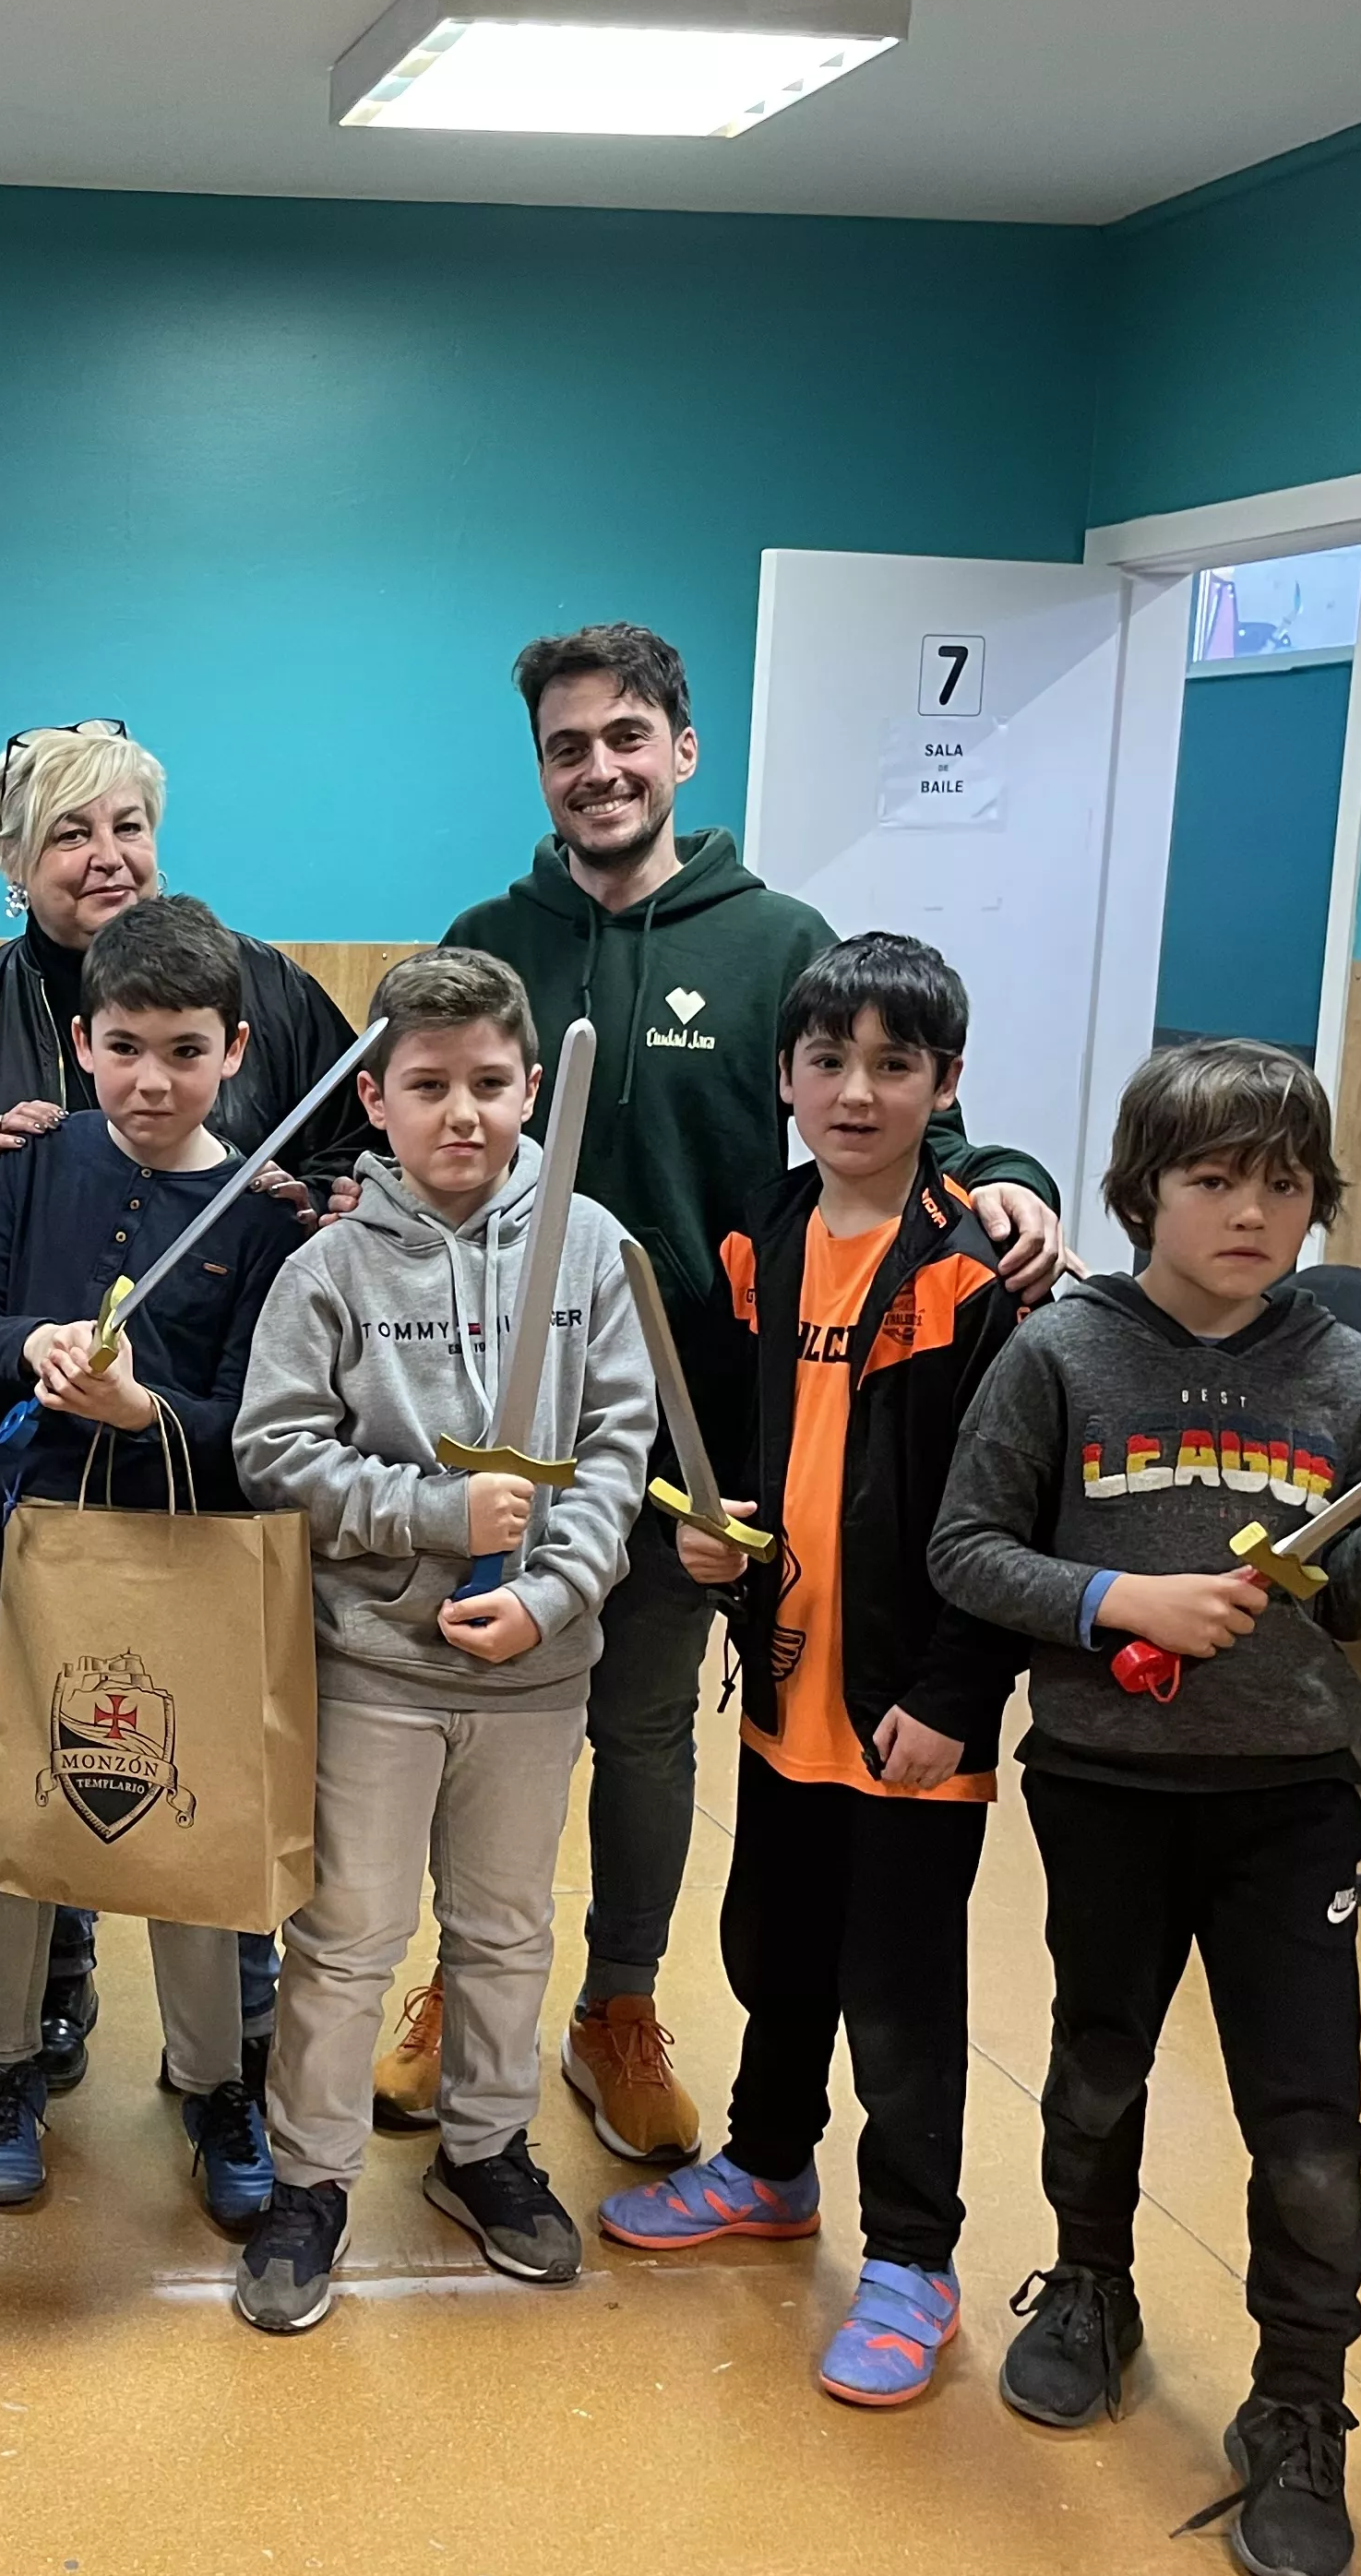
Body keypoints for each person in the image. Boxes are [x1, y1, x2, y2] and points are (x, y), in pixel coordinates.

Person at [433, 621, 1064, 2169]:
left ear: (682, 750)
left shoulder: (774, 936)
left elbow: (877, 1105)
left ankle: (617, 2009)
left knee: (645, 1732)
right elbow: (423, 1113)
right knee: (477, 1727)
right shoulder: (489, 933)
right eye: (569, 746)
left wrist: (1016, 1181)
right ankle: (456, 1988)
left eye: (627, 737)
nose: (601, 769)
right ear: (543, 768)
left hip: (699, 1444)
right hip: (503, 1419)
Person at [930, 1038, 1361, 2576]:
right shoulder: (1062, 1352)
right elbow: (968, 1550)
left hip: (1290, 1805)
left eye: (1282, 1182)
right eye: (1214, 1179)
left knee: (1311, 2134)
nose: (1251, 1211)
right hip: (1108, 1789)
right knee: (1095, 2066)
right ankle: (1089, 2289)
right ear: (1145, 1191)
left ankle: (1299, 2408)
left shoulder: (1338, 1367)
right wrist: (1113, 1596)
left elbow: (1353, 1609)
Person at [0, 723, 358, 2090]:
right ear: (12, 858)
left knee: (183, 1764)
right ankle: (36, 2024)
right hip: (19, 1494)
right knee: (35, 1781)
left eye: (129, 825)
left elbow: (340, 1160)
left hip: (192, 1500)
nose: (108, 857)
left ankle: (218, 2064)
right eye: (72, 834)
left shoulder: (260, 983)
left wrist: (314, 1204)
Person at [591, 935, 1025, 2411]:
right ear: (783, 1079)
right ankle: (772, 2169)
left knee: (901, 1993)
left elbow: (1003, 1516)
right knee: (778, 1953)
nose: (857, 1091)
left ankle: (915, 2256)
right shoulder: (762, 1245)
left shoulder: (979, 1275)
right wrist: (728, 1558)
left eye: (895, 1065)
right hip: (788, 1687)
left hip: (915, 1710)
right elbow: (773, 1466)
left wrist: (960, 1692)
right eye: (829, 1062)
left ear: (946, 1084)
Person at [228, 948, 657, 2334]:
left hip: (535, 1677)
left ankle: (484, 2150)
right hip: (375, 1670)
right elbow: (274, 1452)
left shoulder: (589, 1248)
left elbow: (614, 1452)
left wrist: (552, 1594)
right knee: (349, 1937)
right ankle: (310, 2180)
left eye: (489, 1084)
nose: (462, 1113)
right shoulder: (330, 1268)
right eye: (429, 1086)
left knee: (507, 1930)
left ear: (534, 1086)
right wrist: (428, 1511)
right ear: (377, 1099)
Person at [0, 897, 305, 2227]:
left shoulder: (262, 1215)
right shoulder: (32, 1170)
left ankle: (213, 2084)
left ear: (236, 1050)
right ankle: (11, 2067)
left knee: (181, 1814)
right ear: (82, 1043)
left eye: (186, 1051)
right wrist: (31, 1344)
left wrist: (148, 1416)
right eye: (127, 1045)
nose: (153, 1080)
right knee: (11, 1821)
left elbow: (260, 1431)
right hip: (16, 1556)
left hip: (179, 1562)